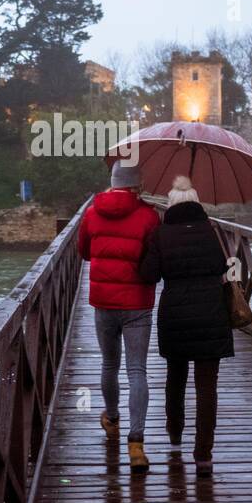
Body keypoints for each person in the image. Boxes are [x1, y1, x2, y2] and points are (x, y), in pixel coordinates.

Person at [139, 175, 233, 477]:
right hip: (212, 312)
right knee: (207, 387)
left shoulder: (160, 234)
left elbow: (150, 274)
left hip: (175, 313)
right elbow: (226, 267)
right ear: (197, 202)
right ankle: (204, 454)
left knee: (175, 377)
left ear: (170, 205)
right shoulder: (214, 230)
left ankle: (175, 432)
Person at [77, 160, 160, 473]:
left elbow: (84, 251)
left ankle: (111, 418)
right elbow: (154, 257)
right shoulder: (149, 216)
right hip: (137, 302)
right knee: (137, 369)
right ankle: (136, 444)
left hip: (103, 302)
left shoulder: (91, 213)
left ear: (112, 181)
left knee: (109, 364)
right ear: (136, 185)